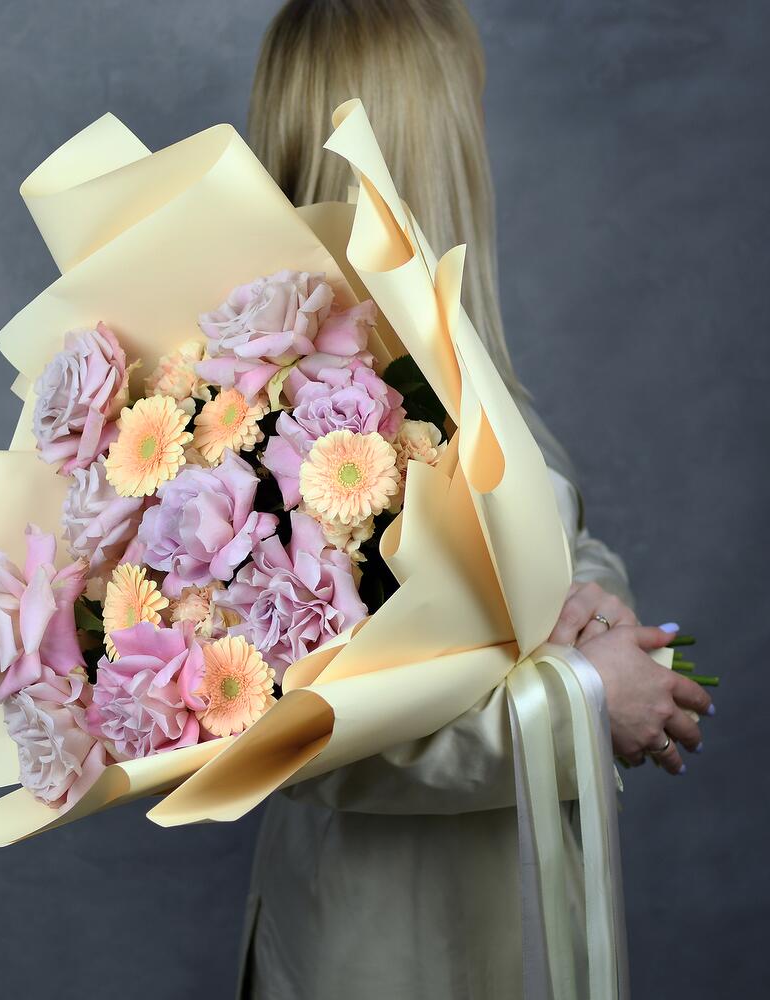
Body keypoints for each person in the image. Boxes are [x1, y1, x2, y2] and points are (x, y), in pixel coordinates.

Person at [239, 1, 714, 997]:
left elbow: (550, 531)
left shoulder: (440, 363)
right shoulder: (286, 425)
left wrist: (587, 604)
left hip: (488, 918)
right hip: (390, 952)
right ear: (432, 138)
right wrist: (586, 695)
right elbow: (318, 731)